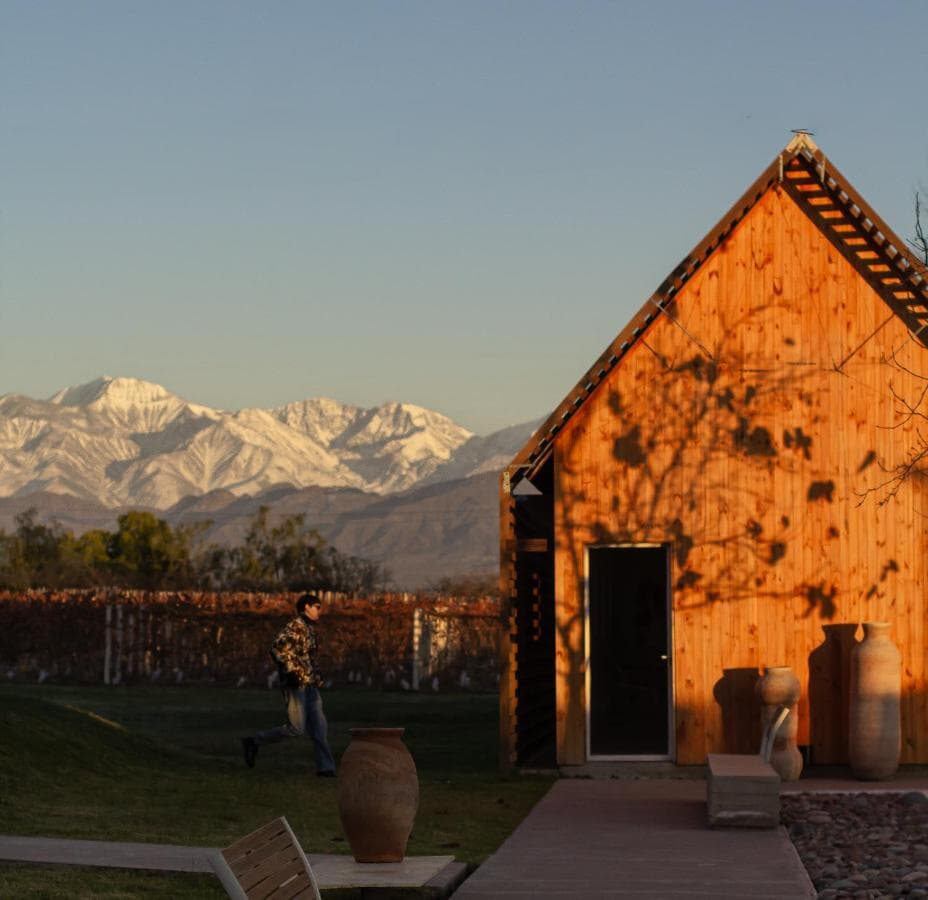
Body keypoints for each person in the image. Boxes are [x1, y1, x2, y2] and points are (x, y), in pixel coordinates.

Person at [241, 593, 336, 776]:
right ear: (306, 607)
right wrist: (291, 672)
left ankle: (326, 768)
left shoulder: (309, 629)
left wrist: (317, 675)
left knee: (320, 728)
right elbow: (277, 649)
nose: (320, 611)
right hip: (296, 685)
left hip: (310, 685)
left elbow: (308, 657)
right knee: (297, 728)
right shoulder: (295, 626)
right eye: (317, 607)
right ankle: (254, 741)